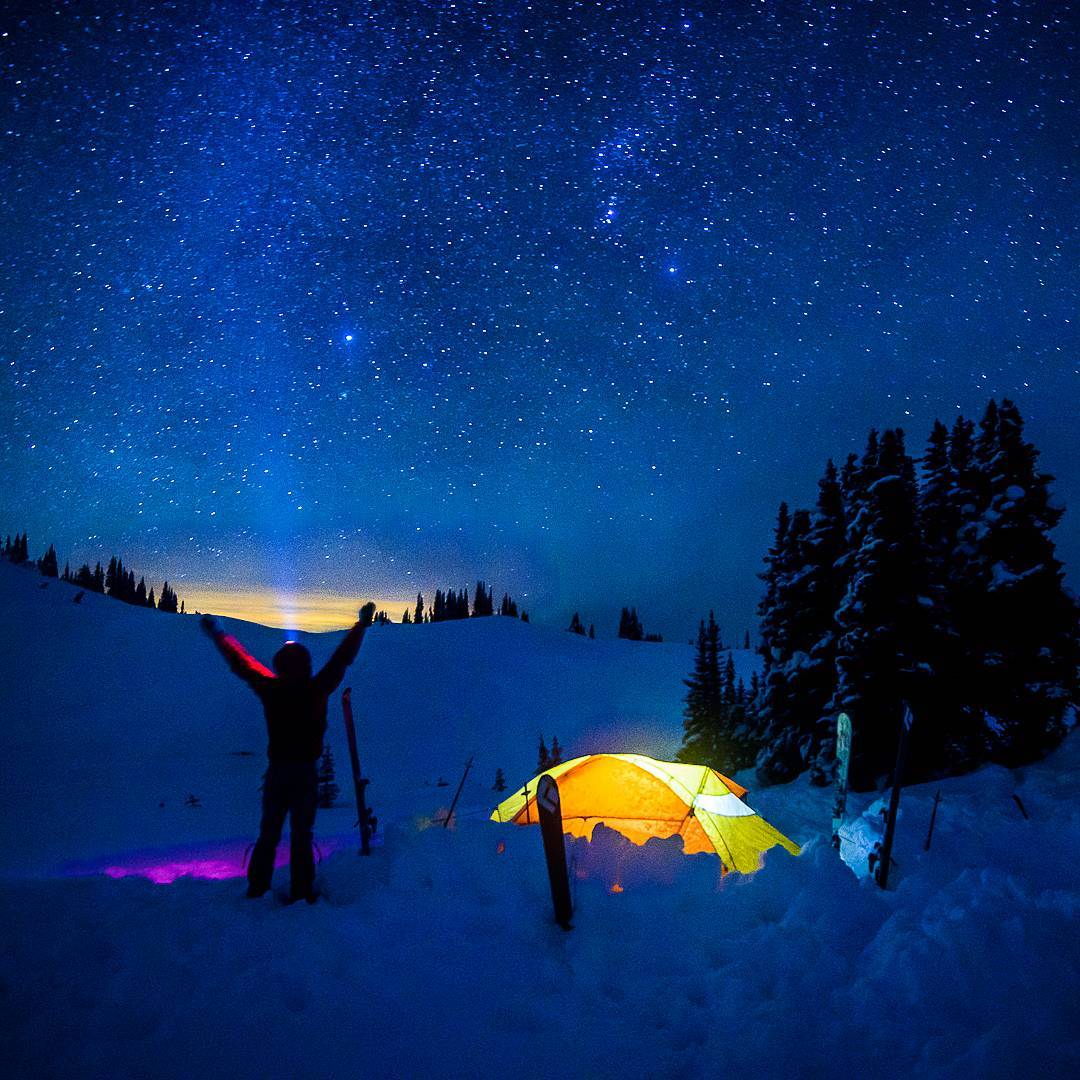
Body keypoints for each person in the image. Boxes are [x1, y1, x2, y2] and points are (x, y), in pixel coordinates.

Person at [201, 602, 377, 902]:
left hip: (277, 773)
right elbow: (342, 659)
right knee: (301, 835)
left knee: (268, 833)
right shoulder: (316, 688)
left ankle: (258, 889)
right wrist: (360, 626)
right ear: (306, 665)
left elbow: (240, 662)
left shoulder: (271, 689)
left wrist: (218, 634)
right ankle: (301, 891)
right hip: (304, 773)